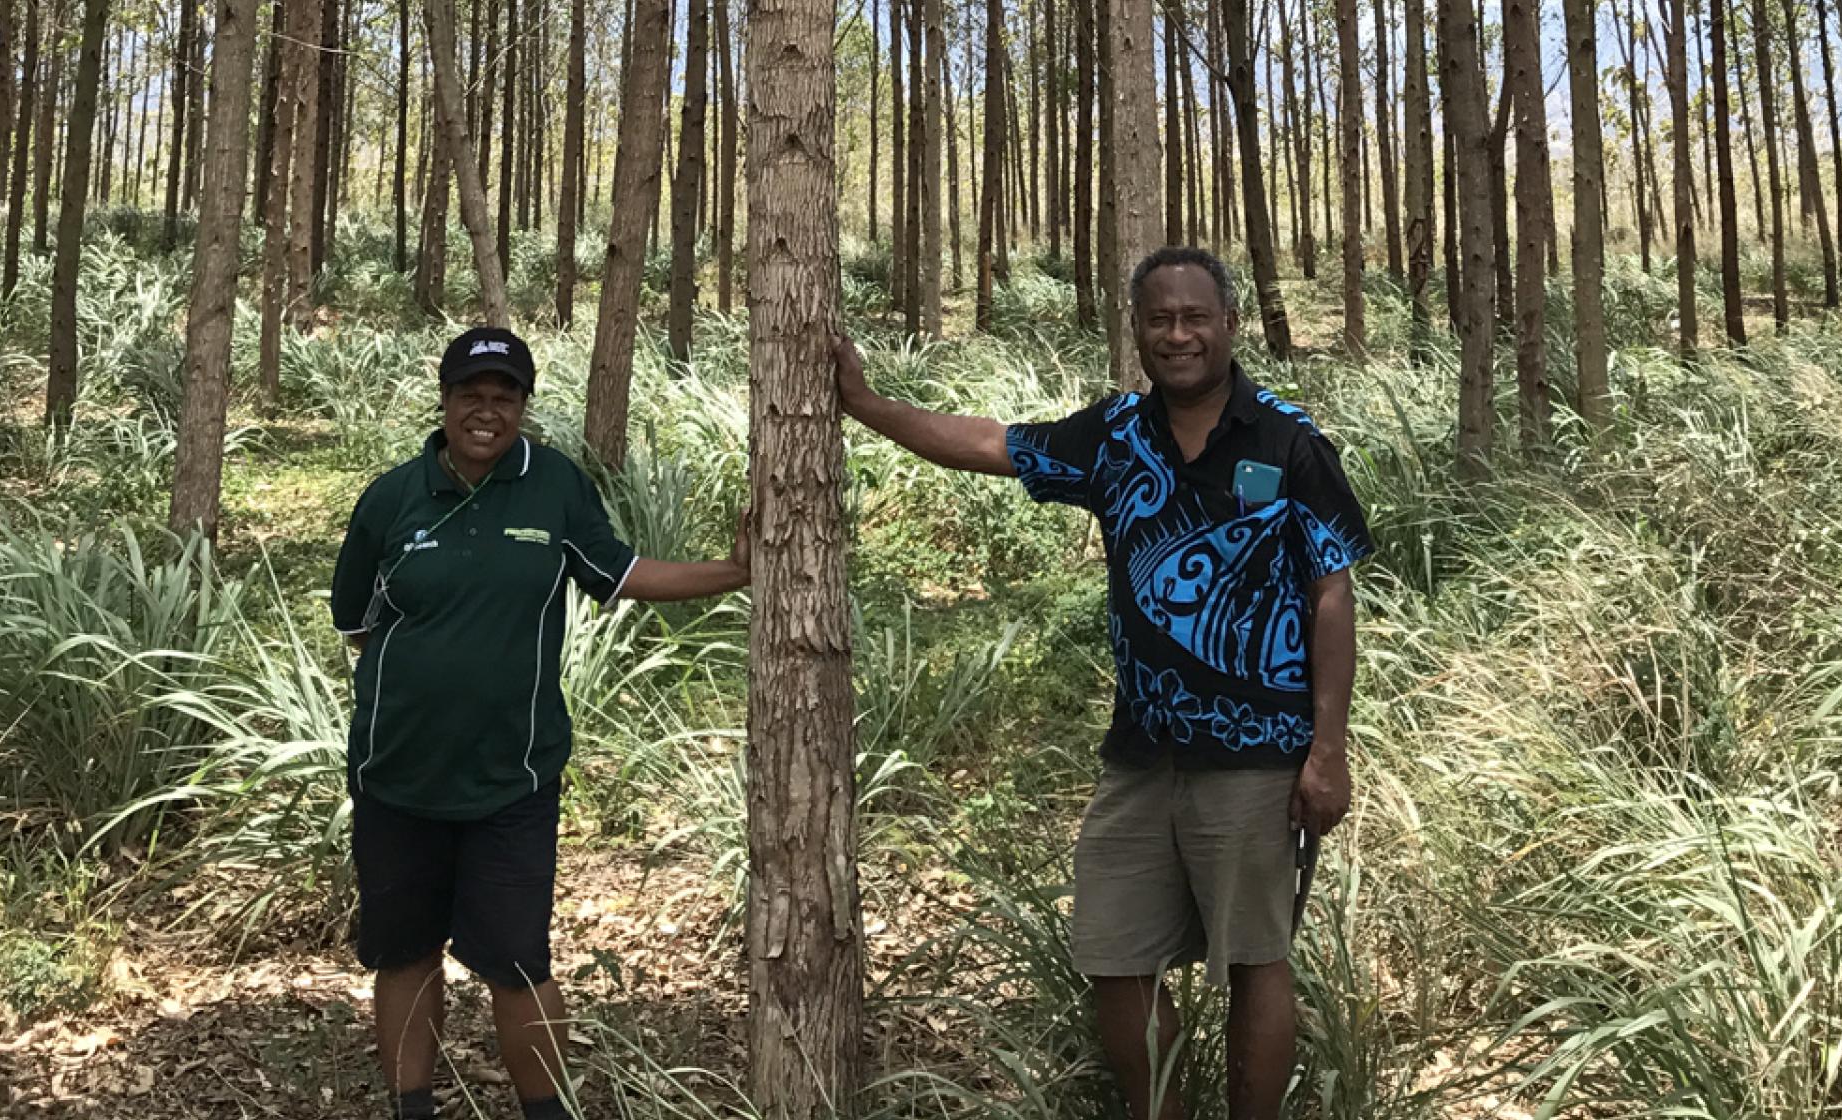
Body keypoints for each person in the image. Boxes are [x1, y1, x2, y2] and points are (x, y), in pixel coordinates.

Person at [833, 247, 1372, 1120]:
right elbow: (990, 443)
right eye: (1159, 319)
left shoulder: (1288, 440)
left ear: (1229, 323)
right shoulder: (1116, 437)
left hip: (1256, 759)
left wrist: (1327, 751)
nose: (1179, 334)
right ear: (1137, 329)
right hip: (1141, 755)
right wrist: (863, 403)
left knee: (1254, 958)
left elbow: (1331, 593)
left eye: (1196, 316)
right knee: (1115, 957)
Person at [329, 326, 750, 1120]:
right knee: (405, 954)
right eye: (471, 396)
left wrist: (734, 572)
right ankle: (411, 1107)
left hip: (512, 779)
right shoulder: (392, 496)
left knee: (517, 963)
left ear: (522, 406)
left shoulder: (553, 485)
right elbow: (354, 618)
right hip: (397, 774)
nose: (486, 412)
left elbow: (618, 572)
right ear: (445, 400)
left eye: (504, 398)